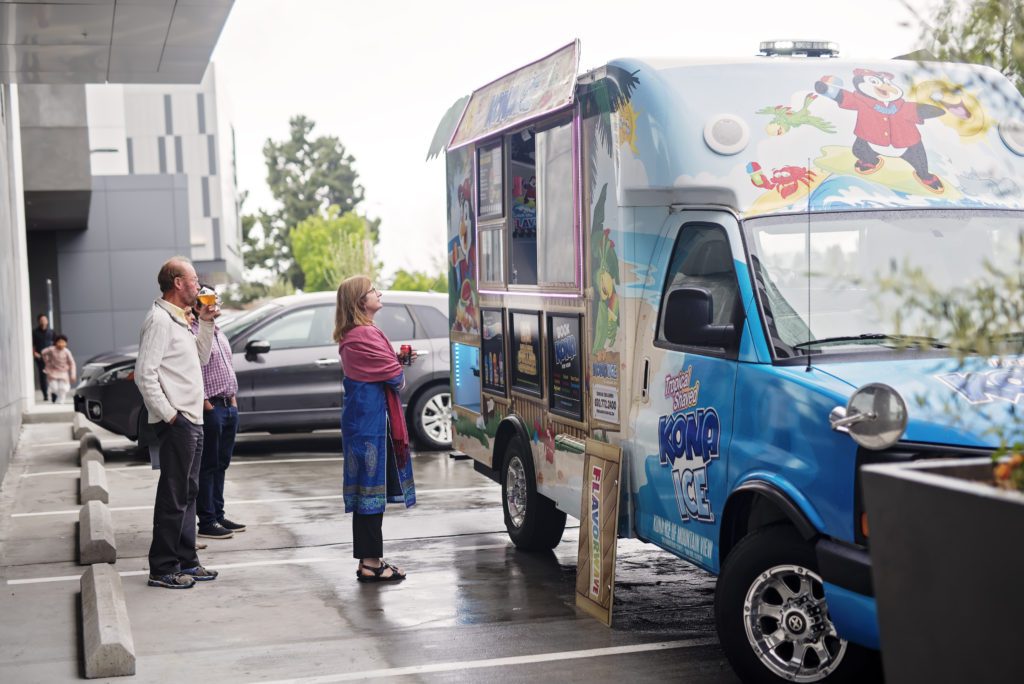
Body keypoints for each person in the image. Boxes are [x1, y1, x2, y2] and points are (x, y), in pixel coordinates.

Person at [135, 256, 218, 589]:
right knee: (173, 495)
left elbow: (201, 358)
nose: (198, 285)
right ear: (178, 283)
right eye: (194, 279)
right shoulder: (159, 320)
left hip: (192, 420)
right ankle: (163, 567)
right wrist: (171, 416)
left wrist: (206, 322)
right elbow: (144, 375)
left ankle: (186, 560)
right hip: (178, 421)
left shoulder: (180, 319)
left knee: (188, 493)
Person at [334, 275, 416, 582]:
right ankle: (370, 563)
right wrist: (395, 365)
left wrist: (394, 361)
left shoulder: (357, 333)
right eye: (372, 291)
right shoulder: (362, 335)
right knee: (369, 492)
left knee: (368, 493)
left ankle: (370, 560)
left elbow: (386, 368)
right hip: (367, 423)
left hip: (364, 418)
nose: (378, 293)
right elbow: (394, 377)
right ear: (360, 301)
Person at [189, 285, 244, 540]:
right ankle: (207, 520)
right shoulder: (193, 332)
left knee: (221, 464)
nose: (214, 303)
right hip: (211, 407)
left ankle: (219, 515)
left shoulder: (219, 331)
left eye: (216, 298)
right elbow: (194, 372)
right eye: (208, 299)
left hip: (228, 406)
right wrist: (206, 405)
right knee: (208, 465)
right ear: (196, 305)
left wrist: (232, 401)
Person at [41, 334, 76, 404]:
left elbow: (72, 363)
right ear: (56, 342)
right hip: (53, 371)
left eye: (63, 342)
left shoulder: (67, 352)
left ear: (66, 343)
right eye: (59, 342)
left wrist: (73, 374)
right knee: (54, 387)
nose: (61, 344)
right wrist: (47, 361)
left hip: (63, 371)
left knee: (63, 387)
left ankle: (61, 399)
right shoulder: (52, 349)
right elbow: (43, 352)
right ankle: (53, 393)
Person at [32, 314, 55, 401]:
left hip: (51, 358)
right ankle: (45, 395)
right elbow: (32, 344)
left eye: (44, 320)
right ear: (39, 321)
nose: (43, 321)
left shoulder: (51, 332)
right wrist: (35, 353)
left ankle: (54, 395)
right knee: (43, 376)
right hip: (40, 357)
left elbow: (56, 343)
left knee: (53, 376)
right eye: (41, 320)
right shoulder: (35, 332)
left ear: (47, 321)